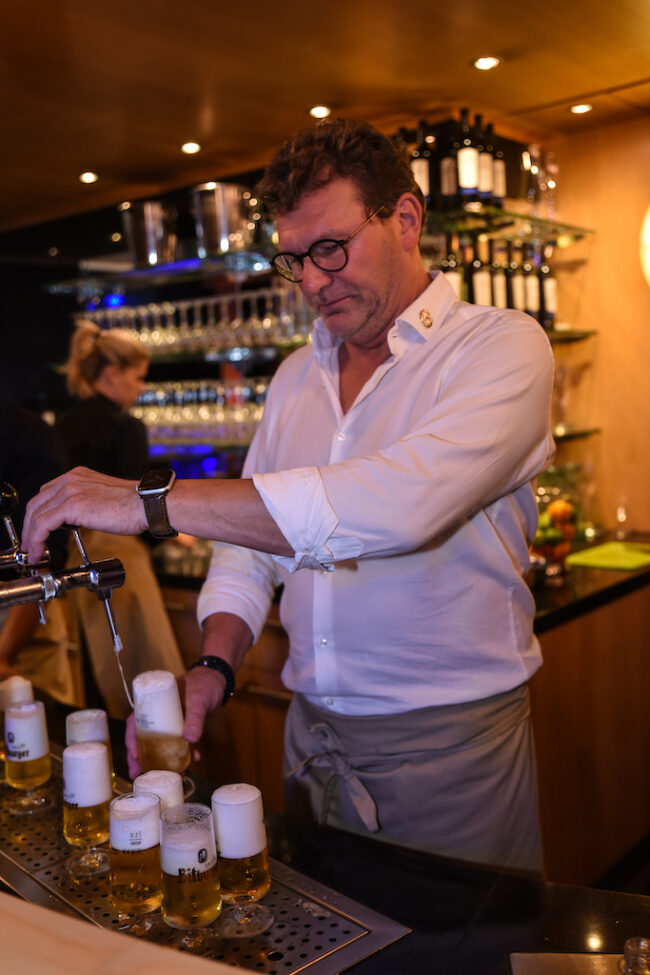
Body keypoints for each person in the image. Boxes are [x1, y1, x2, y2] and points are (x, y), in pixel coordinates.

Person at [24, 118, 555, 875]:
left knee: (463, 935)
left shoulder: (499, 347)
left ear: (405, 219)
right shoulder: (296, 377)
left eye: (331, 248)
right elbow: (249, 550)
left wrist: (150, 501)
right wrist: (215, 664)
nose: (309, 281)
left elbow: (399, 505)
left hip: (450, 748)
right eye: (294, 259)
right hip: (309, 739)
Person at [53, 320, 184, 718]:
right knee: (145, 677)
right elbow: (138, 505)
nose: (141, 388)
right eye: (138, 377)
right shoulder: (125, 427)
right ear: (111, 373)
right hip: (118, 559)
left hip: (74, 556)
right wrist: (172, 531)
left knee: (96, 676)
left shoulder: (65, 422)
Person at [0, 397, 76, 703]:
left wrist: (3, 653)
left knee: (40, 725)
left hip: (21, 621)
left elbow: (40, 563)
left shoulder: (28, 435)